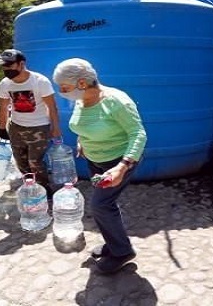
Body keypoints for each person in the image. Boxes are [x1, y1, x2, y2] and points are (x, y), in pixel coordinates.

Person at [52, 58, 147, 274]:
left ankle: (122, 252)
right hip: (95, 160)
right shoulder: (81, 99)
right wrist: (82, 141)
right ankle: (114, 243)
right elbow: (85, 124)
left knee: (100, 206)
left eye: (64, 88)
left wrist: (122, 167)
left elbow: (138, 134)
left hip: (118, 161)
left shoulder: (116, 101)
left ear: (83, 83)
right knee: (106, 206)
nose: (62, 92)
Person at [0, 49, 61, 193]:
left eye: (9, 66)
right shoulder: (5, 84)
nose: (6, 70)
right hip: (16, 127)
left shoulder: (40, 81)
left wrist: (56, 128)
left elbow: (52, 106)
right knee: (20, 161)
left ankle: (44, 189)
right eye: (3, 66)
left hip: (39, 128)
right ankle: (30, 186)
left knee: (35, 161)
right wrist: (2, 129)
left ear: (21, 64)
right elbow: (3, 107)